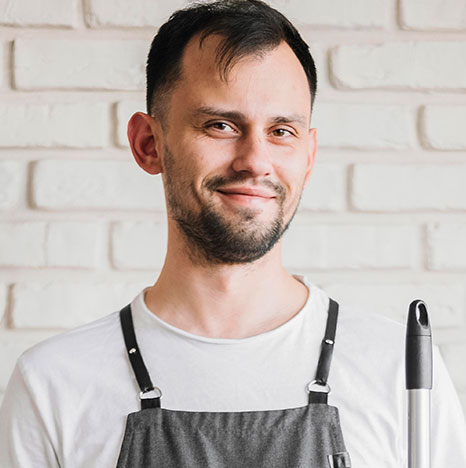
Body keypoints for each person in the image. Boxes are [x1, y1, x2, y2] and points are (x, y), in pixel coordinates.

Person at [1, 0, 465, 466]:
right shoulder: (54, 384)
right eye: (220, 125)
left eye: (281, 131)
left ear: (308, 155)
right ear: (149, 144)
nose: (255, 161)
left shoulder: (401, 371)